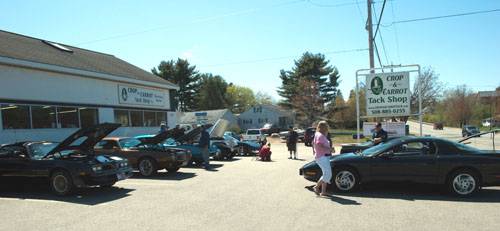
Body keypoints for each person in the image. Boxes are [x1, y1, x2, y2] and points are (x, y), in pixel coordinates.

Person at [312, 121, 333, 197]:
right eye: (326, 126)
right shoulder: (320, 135)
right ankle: (317, 187)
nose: (328, 127)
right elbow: (318, 144)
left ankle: (323, 191)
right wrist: (329, 149)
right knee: (328, 174)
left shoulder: (318, 134)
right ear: (324, 127)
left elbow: (314, 144)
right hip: (322, 157)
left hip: (322, 156)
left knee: (326, 174)